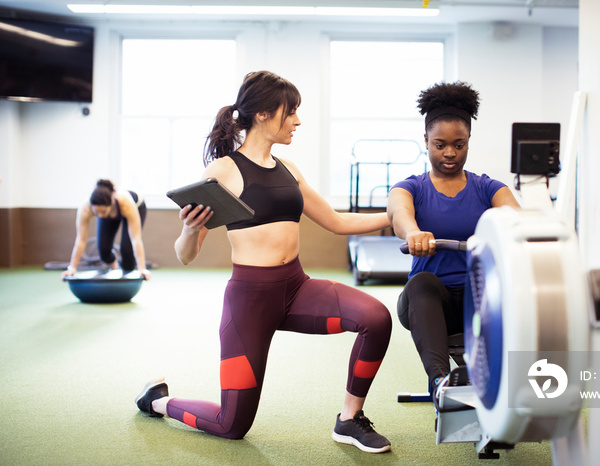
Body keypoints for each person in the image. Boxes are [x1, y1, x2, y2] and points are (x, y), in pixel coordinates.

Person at [134, 71, 393, 454]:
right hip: (249, 303)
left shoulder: (289, 170)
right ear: (263, 115)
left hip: (297, 288)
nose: (297, 121)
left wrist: (398, 217)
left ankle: (349, 419)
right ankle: (157, 400)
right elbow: (185, 255)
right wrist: (189, 230)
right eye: (291, 113)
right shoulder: (224, 171)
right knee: (231, 425)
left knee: (377, 317)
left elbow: (338, 222)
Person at [387, 81, 519, 406]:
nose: (449, 153)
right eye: (440, 144)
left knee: (500, 289)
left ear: (469, 142)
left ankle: (493, 380)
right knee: (422, 282)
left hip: (479, 298)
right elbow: (399, 213)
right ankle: (440, 382)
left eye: (459, 145)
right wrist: (412, 233)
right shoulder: (411, 187)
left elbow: (516, 219)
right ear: (426, 142)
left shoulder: (488, 188)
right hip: (431, 303)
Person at [62, 179, 150, 280]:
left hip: (136, 206)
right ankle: (115, 269)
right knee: (104, 250)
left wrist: (142, 269)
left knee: (127, 249)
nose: (100, 215)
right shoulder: (85, 209)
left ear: (111, 203)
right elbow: (81, 240)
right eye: (96, 212)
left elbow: (136, 239)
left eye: (102, 212)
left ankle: (127, 278)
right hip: (111, 211)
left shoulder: (126, 204)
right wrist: (72, 268)